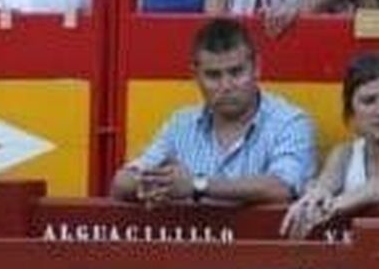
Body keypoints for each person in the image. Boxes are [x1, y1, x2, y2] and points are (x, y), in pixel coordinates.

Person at [110, 17, 316, 207]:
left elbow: (281, 188)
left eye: (236, 72)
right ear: (195, 75)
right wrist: (157, 186)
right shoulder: (180, 124)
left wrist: (196, 185)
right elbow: (121, 183)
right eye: (213, 75)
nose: (226, 85)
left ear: (257, 68)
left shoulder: (290, 122)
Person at [282, 52, 379, 239]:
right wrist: (313, 198)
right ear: (351, 112)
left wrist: (337, 205)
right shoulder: (344, 154)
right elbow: (324, 186)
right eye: (369, 101)